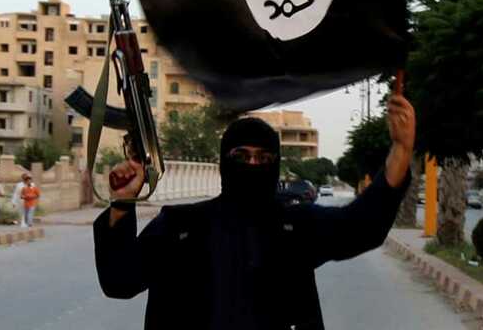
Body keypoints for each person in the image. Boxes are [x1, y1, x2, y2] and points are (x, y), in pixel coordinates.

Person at [94, 93, 415, 330]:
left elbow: (361, 226)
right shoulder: (181, 226)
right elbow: (120, 281)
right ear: (224, 162)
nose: (252, 165)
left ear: (274, 165)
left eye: (263, 159)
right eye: (242, 156)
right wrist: (121, 204)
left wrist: (401, 151)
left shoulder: (295, 225)